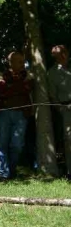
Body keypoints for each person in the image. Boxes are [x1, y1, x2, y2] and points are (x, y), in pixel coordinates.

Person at [0, 51, 34, 180]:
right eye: (20, 61)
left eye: (23, 61)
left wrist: (10, 87)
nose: (23, 64)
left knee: (17, 145)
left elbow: (27, 88)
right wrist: (19, 86)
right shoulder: (2, 75)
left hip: (21, 113)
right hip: (4, 112)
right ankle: (3, 174)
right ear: (10, 63)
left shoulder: (27, 75)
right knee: (3, 143)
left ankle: (11, 170)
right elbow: (1, 91)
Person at [47, 45, 71, 178]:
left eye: (63, 53)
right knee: (69, 141)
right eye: (57, 55)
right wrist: (62, 109)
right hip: (67, 109)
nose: (62, 56)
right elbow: (52, 96)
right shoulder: (52, 73)